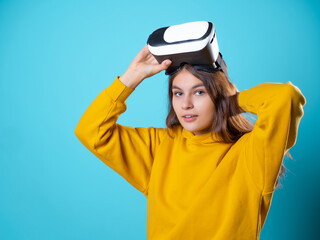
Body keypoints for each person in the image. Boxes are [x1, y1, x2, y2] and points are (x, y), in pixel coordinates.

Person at [75, 45, 306, 239]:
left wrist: (231, 103)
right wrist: (130, 78)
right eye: (178, 93)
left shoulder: (250, 153)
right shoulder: (159, 146)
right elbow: (91, 130)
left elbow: (286, 98)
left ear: (217, 93)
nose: (185, 104)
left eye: (199, 92)